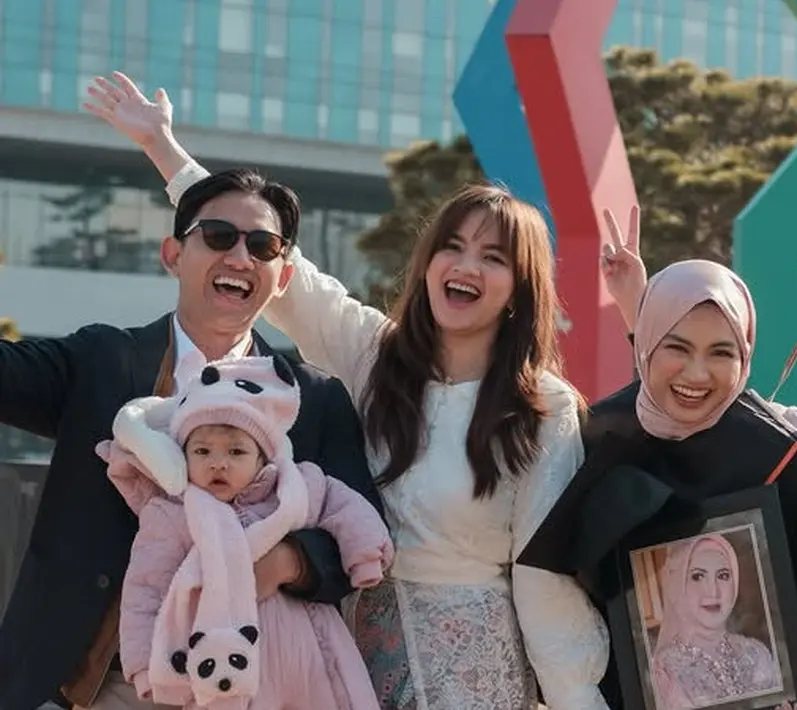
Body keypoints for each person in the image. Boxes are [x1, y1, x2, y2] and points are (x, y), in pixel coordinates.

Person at [94, 71, 612, 708]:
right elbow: (282, 264)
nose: (467, 266)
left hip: (470, 675)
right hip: (342, 654)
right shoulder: (376, 355)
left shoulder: (544, 407)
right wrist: (164, 149)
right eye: (453, 246)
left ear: (519, 290)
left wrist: (578, 699)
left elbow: (544, 575)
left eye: (494, 256)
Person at [0, 161, 380, 707]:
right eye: (219, 236)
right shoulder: (102, 359)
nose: (239, 257)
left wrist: (283, 564)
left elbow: (357, 530)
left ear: (284, 277)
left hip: (248, 681)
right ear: (174, 255)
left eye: (263, 246)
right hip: (92, 681)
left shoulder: (315, 398)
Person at [517, 253, 797, 710]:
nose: (696, 375)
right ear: (645, 342)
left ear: (745, 355)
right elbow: (554, 591)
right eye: (677, 348)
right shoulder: (594, 439)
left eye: (721, 352)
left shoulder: (787, 465)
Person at [99, 356, 392, 709]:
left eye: (236, 451)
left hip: (313, 652)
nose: (218, 462)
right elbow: (145, 590)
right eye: (202, 451)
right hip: (229, 665)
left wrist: (364, 557)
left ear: (261, 458)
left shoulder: (294, 488)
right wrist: (147, 667)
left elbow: (347, 508)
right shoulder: (172, 515)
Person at [650, 533, 780, 710]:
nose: (713, 592)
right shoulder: (664, 668)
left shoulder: (756, 653)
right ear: (676, 585)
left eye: (723, 576)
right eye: (697, 576)